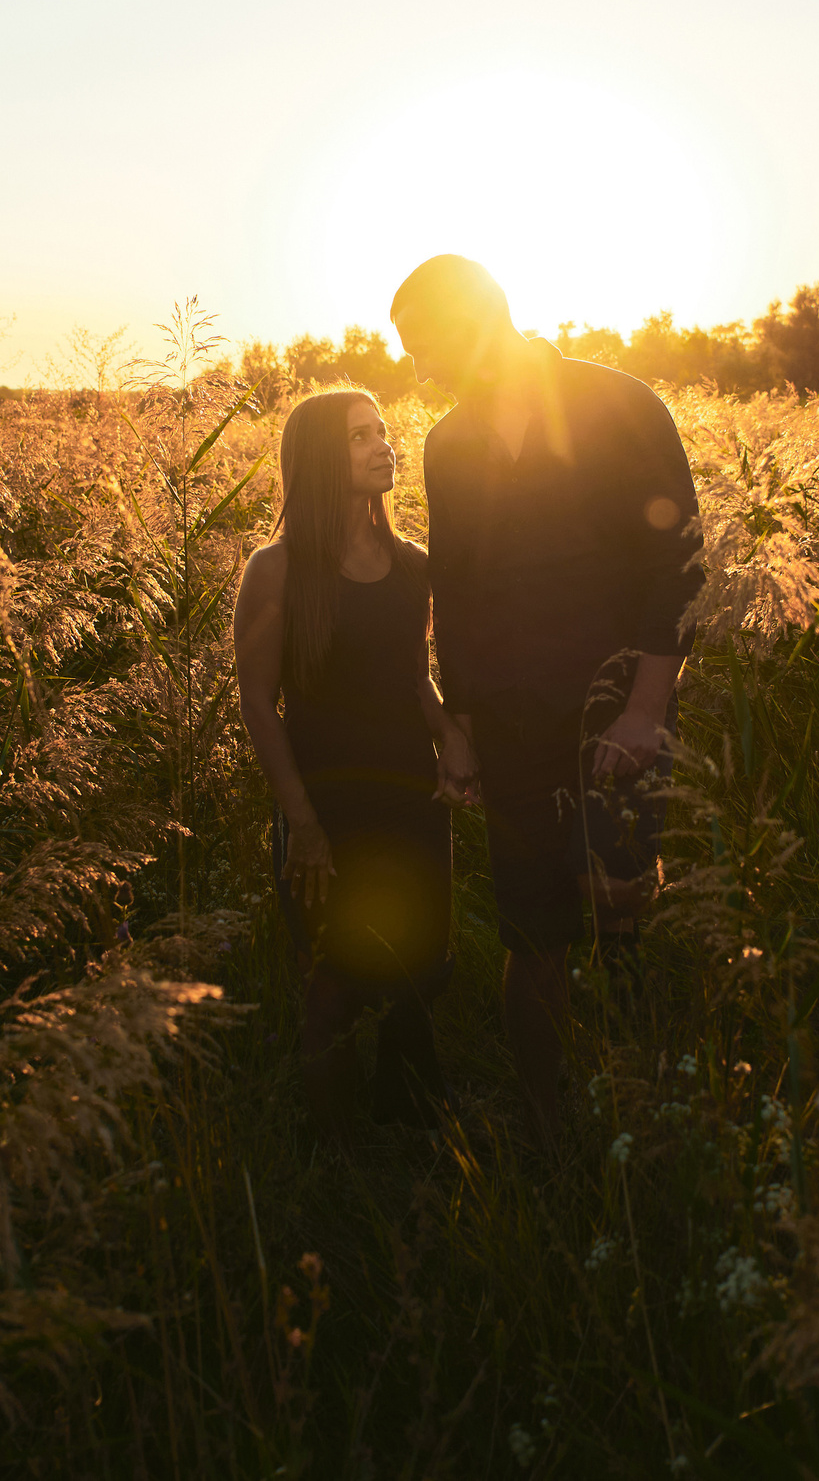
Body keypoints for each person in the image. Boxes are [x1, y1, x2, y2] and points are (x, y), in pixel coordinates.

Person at [390, 254, 704, 1147]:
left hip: (616, 718)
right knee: (533, 934)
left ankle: (654, 1122)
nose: (419, 369)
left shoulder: (620, 405)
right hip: (513, 728)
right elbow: (456, 589)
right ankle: (547, 1129)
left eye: (425, 344)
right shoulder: (448, 444)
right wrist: (465, 727)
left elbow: (678, 563)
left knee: (623, 921)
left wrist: (646, 709)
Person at [233, 388, 481, 1132]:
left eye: (383, 429)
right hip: (326, 804)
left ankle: (409, 1132)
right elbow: (256, 701)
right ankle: (332, 1153)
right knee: (333, 981)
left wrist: (452, 740)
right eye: (359, 436)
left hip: (409, 796)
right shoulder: (276, 570)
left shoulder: (413, 565)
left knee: (414, 970)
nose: (385, 444)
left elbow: (412, 678)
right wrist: (300, 819)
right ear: (317, 458)